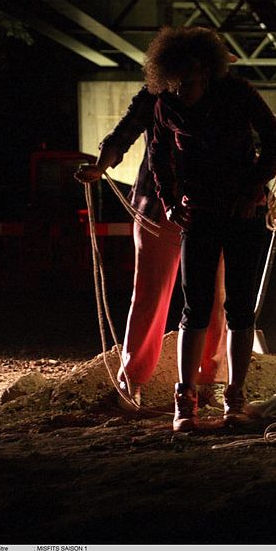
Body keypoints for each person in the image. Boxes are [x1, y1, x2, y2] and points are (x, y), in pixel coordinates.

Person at [146, 26, 276, 431]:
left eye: (186, 83)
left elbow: (275, 142)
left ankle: (235, 396)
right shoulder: (166, 105)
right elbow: (158, 156)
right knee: (194, 307)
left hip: (243, 213)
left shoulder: (238, 93)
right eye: (171, 84)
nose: (179, 91)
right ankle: (185, 398)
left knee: (241, 307)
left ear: (205, 71)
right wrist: (170, 203)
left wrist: (255, 187)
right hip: (200, 214)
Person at [74, 87, 226, 411]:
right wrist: (101, 167)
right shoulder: (156, 96)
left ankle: (212, 380)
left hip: (207, 208)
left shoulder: (223, 95)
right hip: (158, 209)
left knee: (214, 296)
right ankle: (133, 378)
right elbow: (123, 135)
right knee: (151, 294)